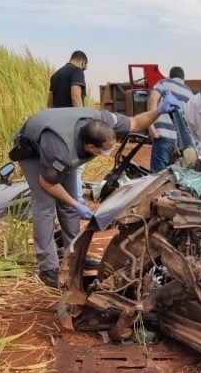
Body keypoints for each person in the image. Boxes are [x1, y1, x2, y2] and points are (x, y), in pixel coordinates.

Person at [12, 94, 180, 287]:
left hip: (63, 138)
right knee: (45, 206)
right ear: (90, 147)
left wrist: (158, 111)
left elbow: (135, 122)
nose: (109, 151)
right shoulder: (61, 151)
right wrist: (76, 203)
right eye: (105, 150)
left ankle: (74, 257)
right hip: (32, 148)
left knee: (69, 209)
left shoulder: (105, 122)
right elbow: (48, 183)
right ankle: (48, 267)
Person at [48, 50, 89, 203]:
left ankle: (63, 195)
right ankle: (76, 198)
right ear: (83, 62)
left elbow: (49, 103)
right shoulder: (77, 71)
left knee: (61, 162)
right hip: (72, 124)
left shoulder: (56, 75)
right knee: (77, 163)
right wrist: (83, 121)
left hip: (56, 124)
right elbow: (75, 96)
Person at [147, 66, 193, 173]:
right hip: (181, 143)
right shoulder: (190, 93)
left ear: (170, 75)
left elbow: (153, 99)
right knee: (173, 178)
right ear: (183, 79)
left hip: (163, 137)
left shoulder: (164, 83)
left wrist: (150, 126)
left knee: (156, 177)